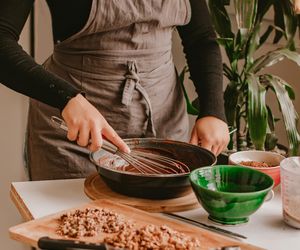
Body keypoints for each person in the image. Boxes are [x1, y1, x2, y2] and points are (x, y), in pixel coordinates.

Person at [0, 0, 229, 180]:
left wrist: (214, 111)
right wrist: (67, 99)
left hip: (164, 131)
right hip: (74, 134)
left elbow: (201, 39)